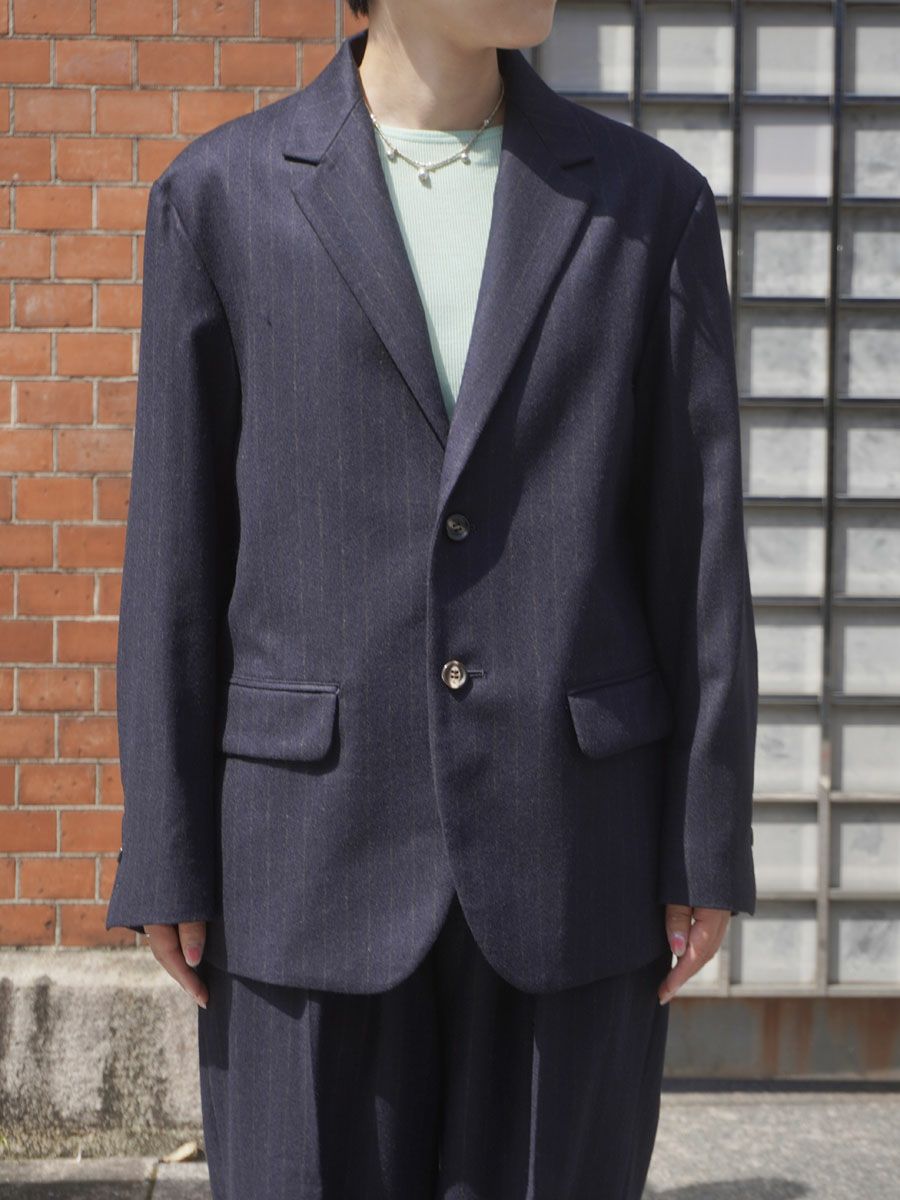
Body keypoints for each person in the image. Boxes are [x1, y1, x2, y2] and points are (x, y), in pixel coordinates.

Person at [106, 1, 758, 1196]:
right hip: (304, 856)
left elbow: (695, 547)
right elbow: (178, 549)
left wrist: (703, 837)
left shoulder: (648, 204)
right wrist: (165, 846)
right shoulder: (223, 198)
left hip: (575, 855)